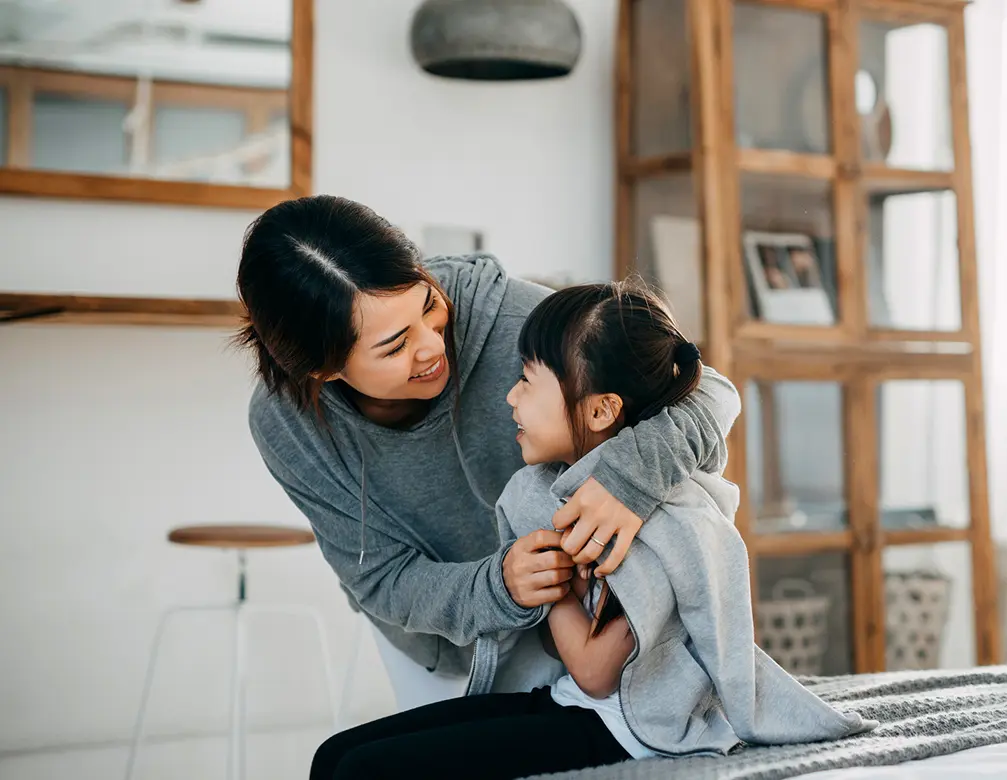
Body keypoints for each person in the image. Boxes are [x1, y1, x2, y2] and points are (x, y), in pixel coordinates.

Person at [310, 282, 873, 779]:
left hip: (629, 729)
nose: (510, 397)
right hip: (574, 704)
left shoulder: (651, 524)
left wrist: (548, 581)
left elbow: (598, 670)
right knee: (333, 755)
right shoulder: (562, 490)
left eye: (528, 381)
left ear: (601, 411)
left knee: (362, 769)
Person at [235, 195, 741, 689]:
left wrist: (629, 479)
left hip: (580, 627)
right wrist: (499, 586)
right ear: (323, 370)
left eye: (429, 304)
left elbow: (707, 390)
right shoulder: (286, 424)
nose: (432, 345)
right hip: (436, 643)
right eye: (395, 346)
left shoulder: (515, 315)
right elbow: (380, 578)